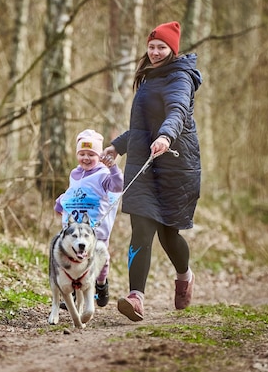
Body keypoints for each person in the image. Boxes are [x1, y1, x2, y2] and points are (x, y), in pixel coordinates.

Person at [102, 21, 203, 321]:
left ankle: (184, 275)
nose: (156, 52)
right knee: (141, 229)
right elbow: (142, 125)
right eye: (152, 47)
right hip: (145, 165)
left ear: (173, 49)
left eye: (162, 47)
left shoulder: (180, 78)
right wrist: (118, 146)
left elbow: (177, 111)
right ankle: (136, 298)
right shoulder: (148, 77)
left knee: (168, 235)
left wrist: (166, 136)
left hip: (175, 165)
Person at [54, 129, 124, 307]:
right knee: (76, 259)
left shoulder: (103, 175)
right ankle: (77, 293)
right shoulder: (74, 174)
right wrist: (61, 202)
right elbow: (74, 193)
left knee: (101, 258)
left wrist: (113, 168)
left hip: (96, 227)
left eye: (91, 154)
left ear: (99, 156)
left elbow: (117, 186)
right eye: (82, 153)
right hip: (76, 229)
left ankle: (101, 285)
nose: (86, 158)